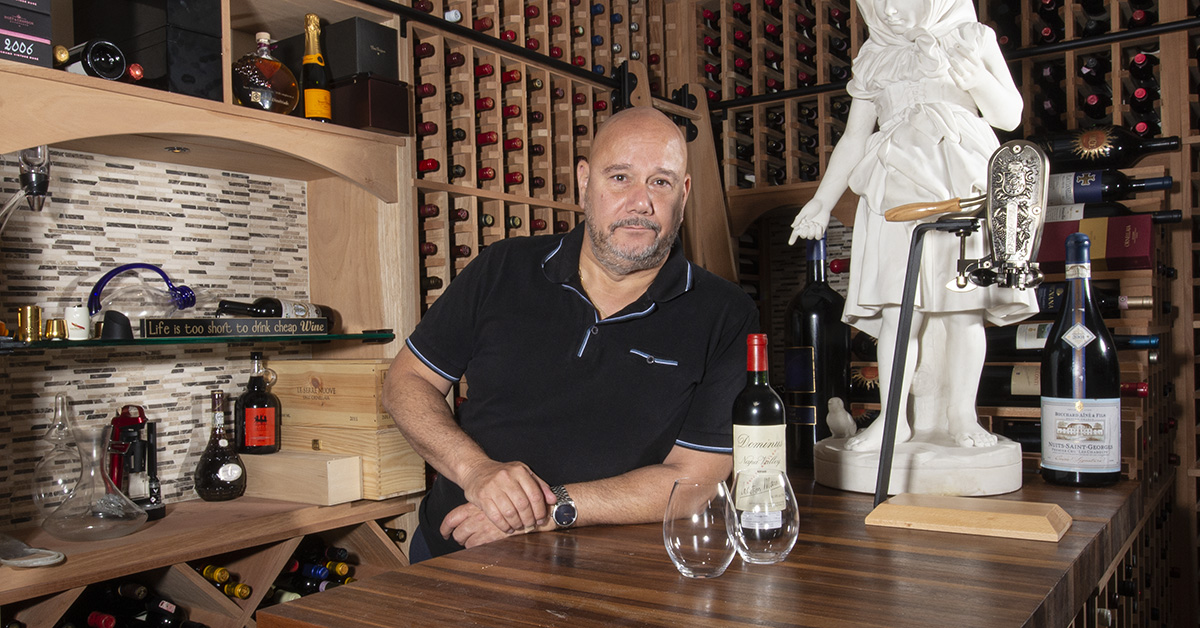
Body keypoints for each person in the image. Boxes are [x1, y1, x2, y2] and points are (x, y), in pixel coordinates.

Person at [383, 107, 759, 561]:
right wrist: (477, 471)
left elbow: (696, 479)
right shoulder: (502, 268)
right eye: (620, 177)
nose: (640, 202)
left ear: (684, 193)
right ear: (584, 180)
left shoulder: (726, 314)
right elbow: (407, 382)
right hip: (456, 550)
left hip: (604, 575)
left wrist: (545, 509)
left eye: (660, 182)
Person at [788, 0, 1036, 452]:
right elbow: (853, 137)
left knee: (964, 309)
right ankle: (893, 420)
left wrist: (977, 80)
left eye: (899, 0)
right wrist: (822, 203)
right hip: (894, 186)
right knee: (900, 312)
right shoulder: (874, 54)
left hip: (961, 182)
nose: (890, 13)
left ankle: (963, 415)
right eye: (876, 3)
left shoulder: (971, 37)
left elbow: (1010, 115)